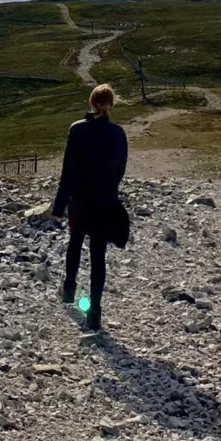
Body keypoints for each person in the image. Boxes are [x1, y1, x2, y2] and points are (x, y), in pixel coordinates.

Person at [51, 83, 128, 332]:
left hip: (80, 201)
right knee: (98, 255)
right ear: (111, 105)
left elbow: (68, 172)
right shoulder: (119, 133)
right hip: (105, 201)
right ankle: (94, 311)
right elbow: (120, 171)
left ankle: (69, 290)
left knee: (75, 243)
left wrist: (58, 207)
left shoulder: (78, 130)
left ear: (91, 103)